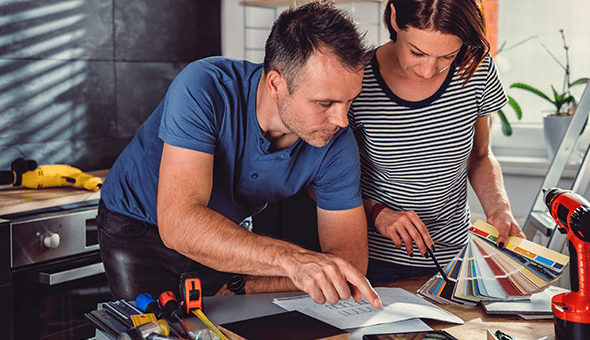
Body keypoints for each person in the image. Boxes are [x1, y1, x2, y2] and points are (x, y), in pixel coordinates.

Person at [97, 1, 382, 308]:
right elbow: (179, 224)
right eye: (325, 103)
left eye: (350, 100)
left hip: (225, 231)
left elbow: (349, 263)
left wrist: (249, 284)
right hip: (137, 224)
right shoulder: (203, 87)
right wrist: (293, 260)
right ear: (276, 84)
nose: (341, 120)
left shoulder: (336, 141)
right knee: (153, 329)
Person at [347, 0, 526, 284]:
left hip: (454, 259)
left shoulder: (475, 69)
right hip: (374, 261)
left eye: (447, 56)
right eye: (417, 52)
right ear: (394, 17)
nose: (428, 70)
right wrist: (378, 214)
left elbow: (479, 156)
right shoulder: (356, 79)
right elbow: (321, 182)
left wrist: (498, 208)